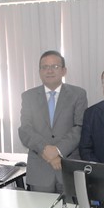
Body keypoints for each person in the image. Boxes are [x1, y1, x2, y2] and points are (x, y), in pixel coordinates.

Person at [18, 50, 88, 193]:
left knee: (71, 207)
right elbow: (25, 129)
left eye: (55, 66)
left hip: (68, 167)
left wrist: (58, 151)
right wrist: (45, 150)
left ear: (64, 70)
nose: (49, 71)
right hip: (40, 170)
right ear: (39, 71)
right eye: (45, 67)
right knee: (39, 207)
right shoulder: (28, 96)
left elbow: (80, 127)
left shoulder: (78, 94)